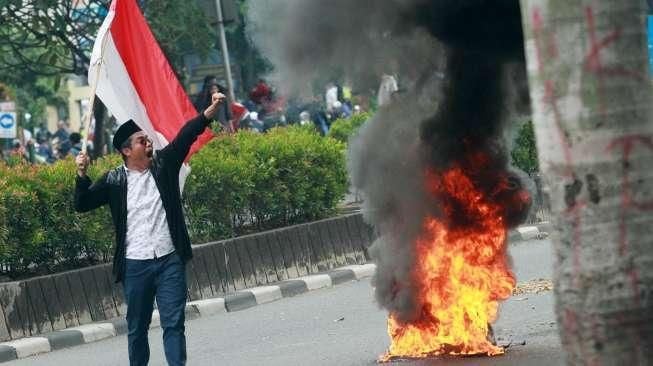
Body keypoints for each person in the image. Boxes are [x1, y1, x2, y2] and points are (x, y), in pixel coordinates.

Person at [74, 92, 226, 366]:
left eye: (147, 139)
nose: (148, 143)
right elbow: (82, 204)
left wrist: (209, 112)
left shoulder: (164, 165)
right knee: (137, 330)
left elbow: (185, 135)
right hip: (136, 266)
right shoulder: (114, 181)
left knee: (173, 324)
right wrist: (81, 176)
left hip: (169, 260)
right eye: (142, 141)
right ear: (126, 150)